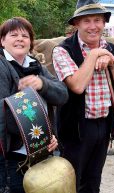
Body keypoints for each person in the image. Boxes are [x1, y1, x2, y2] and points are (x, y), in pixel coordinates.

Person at [52, 0, 114, 192]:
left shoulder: (112, 49)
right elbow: (77, 86)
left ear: (104, 23)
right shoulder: (63, 50)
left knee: (93, 181)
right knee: (72, 182)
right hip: (75, 129)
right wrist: (95, 53)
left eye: (98, 20)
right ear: (76, 24)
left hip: (103, 126)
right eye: (86, 21)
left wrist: (112, 63)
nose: (93, 26)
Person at [0, 17, 66, 193]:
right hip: (13, 158)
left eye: (25, 35)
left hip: (43, 152)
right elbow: (4, 114)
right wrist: (42, 137)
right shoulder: (1, 67)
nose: (20, 39)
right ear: (2, 40)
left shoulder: (36, 66)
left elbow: (62, 95)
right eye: (13, 35)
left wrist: (42, 84)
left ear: (30, 41)